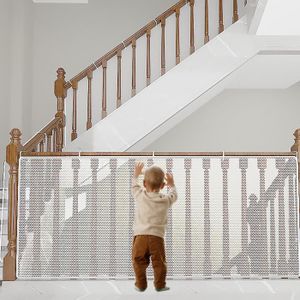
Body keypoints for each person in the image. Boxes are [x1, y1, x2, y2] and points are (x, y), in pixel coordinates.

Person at [131, 162, 177, 292]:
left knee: (138, 260)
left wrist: (136, 174)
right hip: (157, 237)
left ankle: (140, 284)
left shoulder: (140, 195)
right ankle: (160, 285)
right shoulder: (165, 200)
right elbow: (174, 195)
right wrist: (172, 184)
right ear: (163, 186)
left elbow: (134, 186)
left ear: (144, 184)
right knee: (159, 263)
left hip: (140, 236)